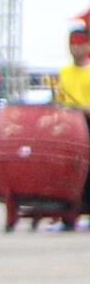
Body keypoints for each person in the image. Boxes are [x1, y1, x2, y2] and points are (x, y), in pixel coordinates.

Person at [55, 28, 90, 230]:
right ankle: (67, 214)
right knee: (67, 174)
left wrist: (78, 109)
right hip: (69, 130)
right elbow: (60, 100)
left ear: (87, 46)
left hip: (87, 126)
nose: (75, 48)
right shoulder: (64, 72)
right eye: (72, 44)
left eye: (79, 44)